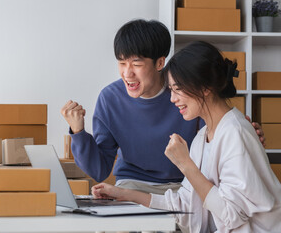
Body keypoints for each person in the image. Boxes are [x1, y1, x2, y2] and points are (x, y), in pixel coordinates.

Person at [91, 41, 281, 232]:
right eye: (171, 90)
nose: (173, 99)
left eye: (177, 89)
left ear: (205, 88)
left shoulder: (235, 132)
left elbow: (232, 217)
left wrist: (185, 164)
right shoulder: (202, 137)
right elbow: (185, 207)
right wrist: (123, 194)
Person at [61, 19, 265, 194]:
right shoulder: (110, 98)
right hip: (132, 184)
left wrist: (241, 139)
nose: (127, 73)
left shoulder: (186, 92)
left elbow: (216, 131)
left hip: (185, 183)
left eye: (137, 64)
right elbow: (99, 171)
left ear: (159, 63)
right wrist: (78, 132)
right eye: (122, 63)